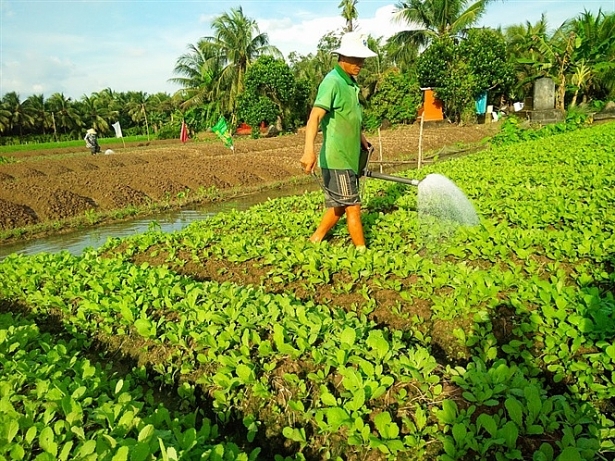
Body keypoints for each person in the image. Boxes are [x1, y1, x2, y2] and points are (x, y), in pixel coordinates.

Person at [300, 32, 376, 250]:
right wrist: (308, 151)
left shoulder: (351, 84)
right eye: (356, 58)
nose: (360, 64)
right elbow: (314, 117)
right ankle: (363, 252)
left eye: (362, 59)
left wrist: (361, 139)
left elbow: (349, 117)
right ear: (342, 57)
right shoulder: (332, 82)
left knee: (341, 205)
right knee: (353, 206)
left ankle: (315, 239)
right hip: (337, 157)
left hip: (349, 155)